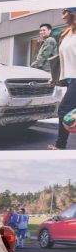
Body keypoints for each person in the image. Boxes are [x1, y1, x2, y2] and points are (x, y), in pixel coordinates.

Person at [51, 8, 76, 149]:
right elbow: (61, 58)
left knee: (64, 110)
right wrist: (55, 77)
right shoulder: (66, 33)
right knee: (68, 111)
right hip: (69, 78)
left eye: (65, 12)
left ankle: (60, 146)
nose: (63, 16)